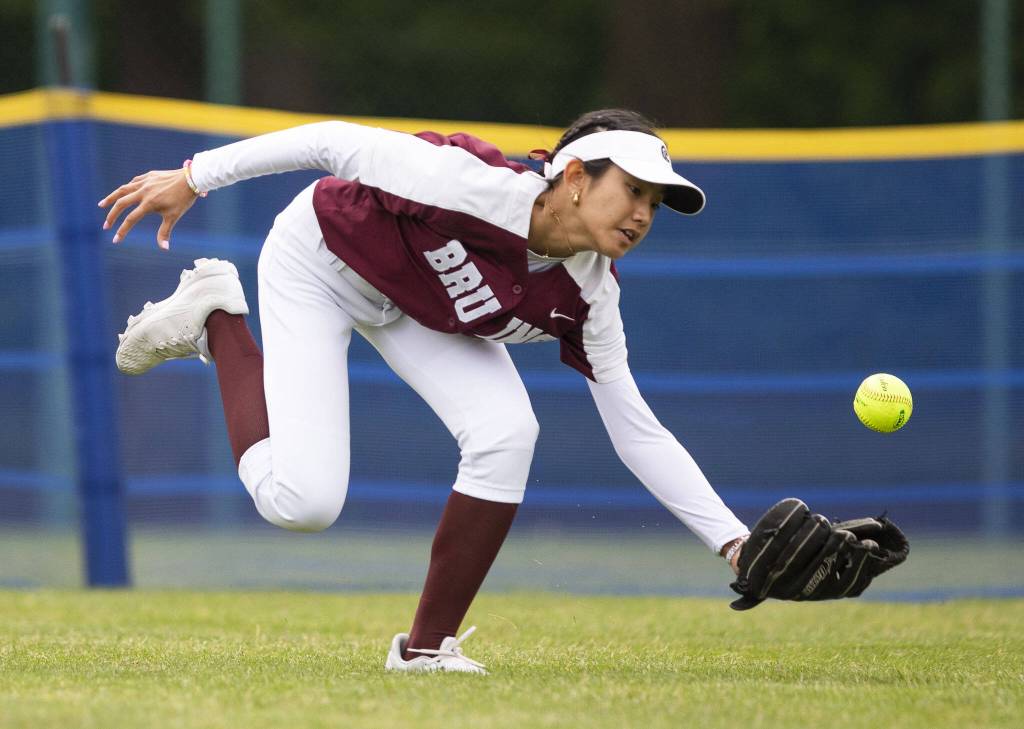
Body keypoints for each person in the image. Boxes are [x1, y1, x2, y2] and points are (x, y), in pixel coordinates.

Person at [100, 109, 752, 674]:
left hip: (415, 303)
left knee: (507, 431)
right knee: (302, 502)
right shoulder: (474, 184)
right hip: (322, 260)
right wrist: (192, 177)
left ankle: (426, 649)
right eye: (633, 189)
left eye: (655, 203)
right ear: (576, 178)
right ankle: (217, 320)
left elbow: (637, 429)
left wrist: (734, 543)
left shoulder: (591, 294)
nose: (642, 213)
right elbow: (331, 141)